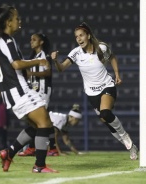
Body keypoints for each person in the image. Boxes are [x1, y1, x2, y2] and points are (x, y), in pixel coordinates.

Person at [51, 22, 138, 160]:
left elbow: (113, 57)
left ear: (88, 35)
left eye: (81, 35)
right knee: (107, 121)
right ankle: (131, 147)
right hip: (92, 93)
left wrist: (117, 74)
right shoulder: (76, 53)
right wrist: (55, 61)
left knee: (105, 112)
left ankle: (125, 136)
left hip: (107, 86)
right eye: (76, 37)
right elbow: (61, 68)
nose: (79, 39)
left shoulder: (101, 48)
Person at [0, 4, 57, 173]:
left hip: (18, 90)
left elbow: (17, 67)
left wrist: (28, 72)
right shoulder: (6, 40)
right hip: (18, 91)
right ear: (8, 22)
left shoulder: (8, 40)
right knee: (44, 122)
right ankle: (39, 166)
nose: (19, 21)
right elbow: (16, 64)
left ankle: (9, 152)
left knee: (38, 125)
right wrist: (38, 62)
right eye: (16, 18)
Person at [18, 104, 82, 156]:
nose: (78, 122)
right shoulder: (61, 120)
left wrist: (77, 153)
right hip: (39, 121)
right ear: (73, 117)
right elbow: (54, 138)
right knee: (42, 135)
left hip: (41, 124)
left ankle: (28, 149)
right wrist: (59, 152)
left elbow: (66, 140)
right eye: (78, 120)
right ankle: (25, 149)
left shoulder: (66, 123)